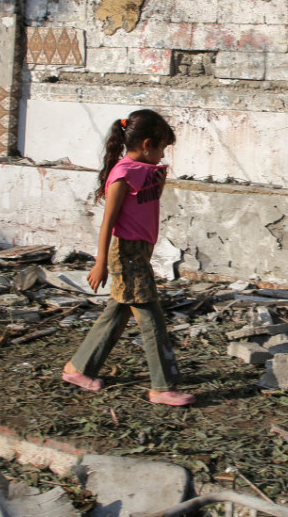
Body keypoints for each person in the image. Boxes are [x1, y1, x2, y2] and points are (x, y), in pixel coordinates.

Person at [61, 109, 195, 406]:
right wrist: (100, 263)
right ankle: (162, 386)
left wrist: (158, 177)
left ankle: (78, 369)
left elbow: (148, 202)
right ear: (147, 144)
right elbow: (108, 222)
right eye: (160, 148)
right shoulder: (121, 175)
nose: (162, 155)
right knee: (151, 318)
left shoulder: (144, 171)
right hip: (127, 254)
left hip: (140, 254)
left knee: (117, 313)